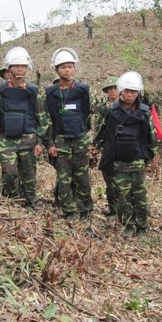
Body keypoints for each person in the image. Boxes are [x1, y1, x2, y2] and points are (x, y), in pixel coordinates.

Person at [94, 71, 157, 234]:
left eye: (133, 92)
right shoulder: (110, 111)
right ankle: (128, 226)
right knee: (122, 198)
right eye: (127, 91)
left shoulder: (144, 112)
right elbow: (100, 134)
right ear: (121, 91)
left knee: (140, 198)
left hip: (137, 163)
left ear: (138, 93)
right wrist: (107, 152)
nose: (130, 94)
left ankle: (142, 227)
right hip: (118, 163)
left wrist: (146, 158)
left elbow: (152, 138)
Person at [0, 47, 51, 208]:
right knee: (9, 173)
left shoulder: (33, 91)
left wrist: (39, 141)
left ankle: (32, 201)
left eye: (23, 66)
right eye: (17, 66)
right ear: (9, 69)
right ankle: (13, 201)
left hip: (28, 139)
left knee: (29, 173)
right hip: (6, 139)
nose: (20, 69)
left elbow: (41, 117)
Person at [45, 48, 93, 218]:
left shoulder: (83, 89)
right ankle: (69, 210)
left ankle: (85, 209)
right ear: (57, 69)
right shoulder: (50, 92)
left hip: (79, 138)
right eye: (63, 67)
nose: (67, 70)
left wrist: (84, 133)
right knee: (64, 177)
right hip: (61, 139)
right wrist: (50, 143)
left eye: (70, 66)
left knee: (82, 176)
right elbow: (48, 118)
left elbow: (87, 114)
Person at [95, 76, 120, 216]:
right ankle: (113, 208)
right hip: (108, 148)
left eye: (115, 88)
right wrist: (101, 146)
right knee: (110, 180)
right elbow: (98, 128)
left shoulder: (127, 106)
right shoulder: (102, 108)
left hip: (125, 148)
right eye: (109, 89)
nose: (112, 91)